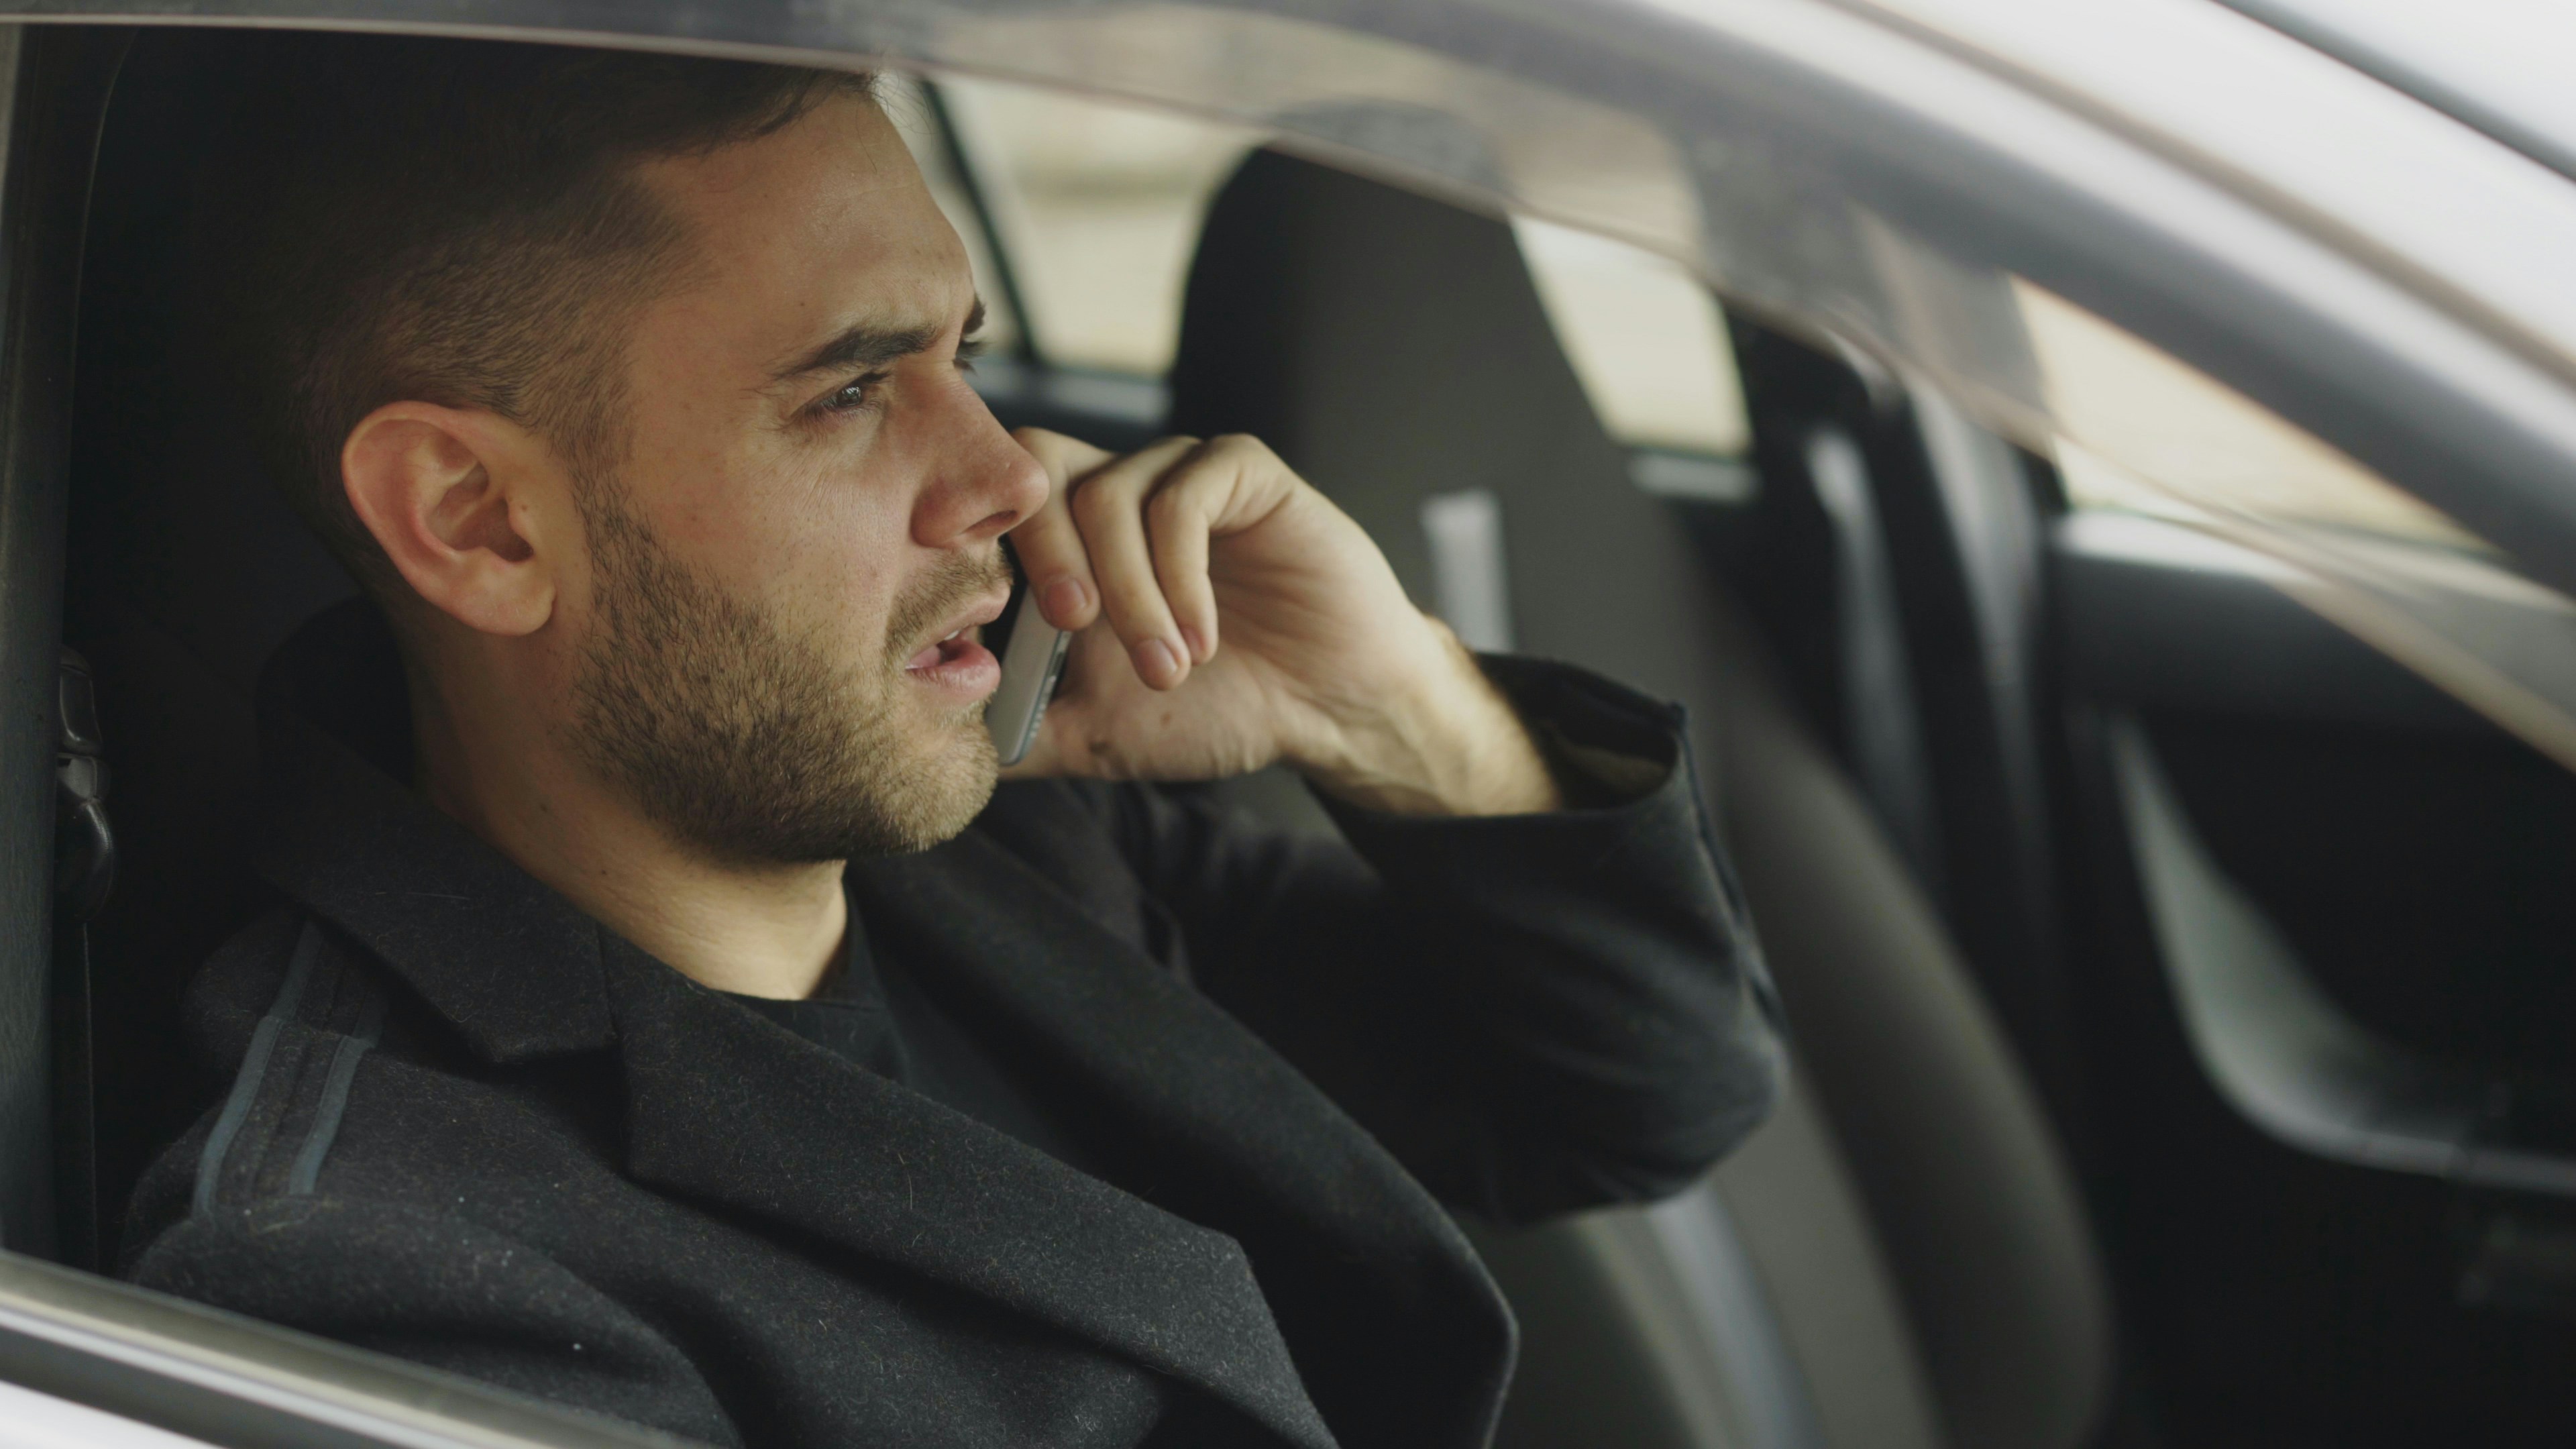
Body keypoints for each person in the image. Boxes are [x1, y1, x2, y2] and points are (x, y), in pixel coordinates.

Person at [117, 31, 1783, 1449]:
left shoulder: (1002, 839)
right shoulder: (378, 1282)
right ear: (477, 521)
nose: (1005, 473)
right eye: (851, 392)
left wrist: (1391, 709)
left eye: (963, 354)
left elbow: (1642, 1098)